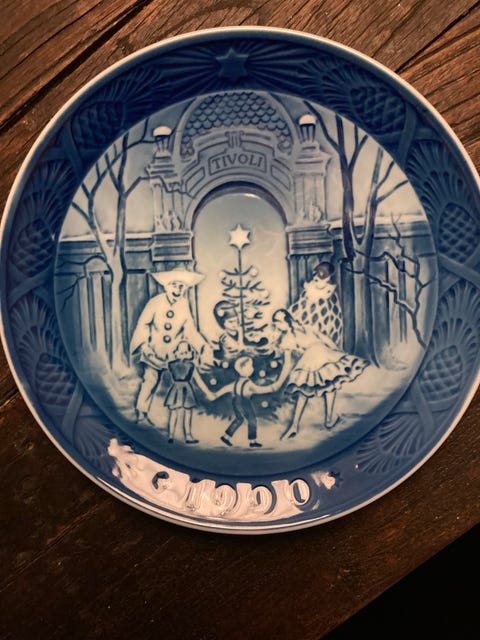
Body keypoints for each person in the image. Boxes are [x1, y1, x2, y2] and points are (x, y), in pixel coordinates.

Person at [280, 262, 369, 438]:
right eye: (316, 274)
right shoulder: (308, 292)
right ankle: (298, 424)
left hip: (321, 344)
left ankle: (314, 422)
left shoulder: (329, 294)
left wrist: (334, 345)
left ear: (328, 277)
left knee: (328, 381)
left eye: (321, 275)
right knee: (313, 384)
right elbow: (298, 311)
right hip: (312, 345)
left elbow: (335, 320)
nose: (316, 278)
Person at [130, 268, 213, 422]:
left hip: (173, 355)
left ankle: (177, 419)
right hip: (153, 351)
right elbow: (143, 325)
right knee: (150, 381)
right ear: (166, 286)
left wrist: (202, 347)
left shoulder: (183, 304)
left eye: (182, 286)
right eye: (174, 285)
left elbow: (190, 330)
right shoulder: (155, 302)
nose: (178, 289)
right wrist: (144, 346)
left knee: (179, 384)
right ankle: (141, 412)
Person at [212, 354, 289, 448]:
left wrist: (216, 394)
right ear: (244, 369)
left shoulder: (236, 382)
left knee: (239, 419)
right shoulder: (248, 384)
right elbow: (261, 389)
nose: (252, 369)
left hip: (235, 402)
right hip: (244, 402)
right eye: (250, 366)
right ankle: (252, 441)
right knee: (252, 420)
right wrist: (273, 387)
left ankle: (226, 436)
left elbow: (224, 389)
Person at [163, 340, 213, 444]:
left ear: (190, 354)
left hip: (179, 389)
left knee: (179, 413)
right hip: (183, 388)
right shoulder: (187, 365)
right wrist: (208, 392)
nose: (183, 355)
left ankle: (177, 435)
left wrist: (208, 392)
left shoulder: (174, 364)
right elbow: (198, 380)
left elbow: (198, 380)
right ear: (176, 353)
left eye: (185, 352)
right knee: (180, 413)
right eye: (181, 352)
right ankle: (177, 435)